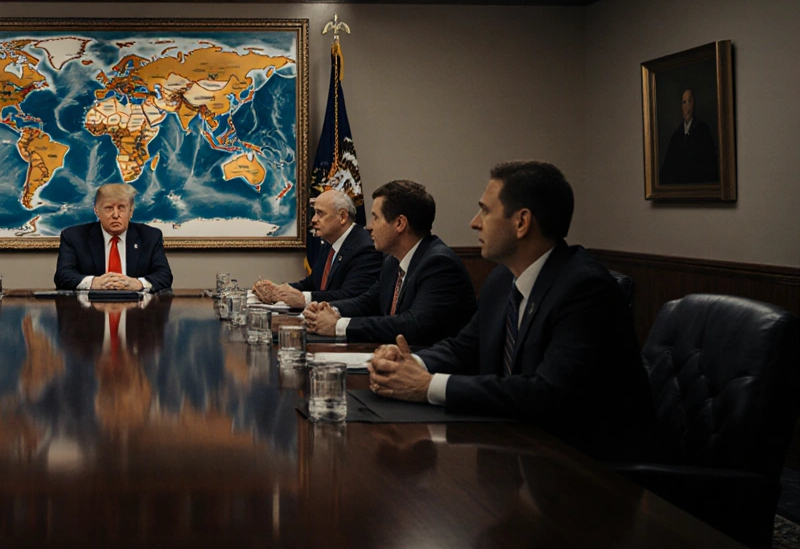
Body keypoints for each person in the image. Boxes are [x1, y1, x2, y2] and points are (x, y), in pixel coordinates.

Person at [365, 161, 655, 460]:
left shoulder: (585, 288)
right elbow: (464, 348)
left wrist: (427, 386)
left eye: (486, 211)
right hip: (515, 451)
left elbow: (548, 393)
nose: (475, 222)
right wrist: (408, 362)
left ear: (521, 222)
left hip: (590, 469)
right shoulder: (502, 279)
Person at [302, 180, 475, 346]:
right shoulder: (392, 261)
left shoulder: (438, 264)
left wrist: (338, 325)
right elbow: (367, 302)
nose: (369, 226)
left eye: (376, 218)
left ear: (399, 223)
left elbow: (411, 324)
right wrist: (327, 310)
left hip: (428, 365)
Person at [252, 189, 382, 309]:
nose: (313, 220)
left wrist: (304, 299)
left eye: (320, 213)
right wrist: (278, 290)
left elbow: (351, 296)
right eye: (314, 213)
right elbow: (312, 283)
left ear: (342, 217)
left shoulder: (365, 247)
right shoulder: (329, 243)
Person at [54, 183, 172, 291]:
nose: (116, 215)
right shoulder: (74, 237)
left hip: (137, 310)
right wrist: (93, 282)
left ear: (130, 211)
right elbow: (63, 276)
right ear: (97, 211)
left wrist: (138, 283)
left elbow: (164, 276)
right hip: (90, 311)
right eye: (109, 208)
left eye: (121, 208)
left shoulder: (150, 237)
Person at [660, 87, 719, 184]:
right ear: (681, 107)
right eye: (684, 102)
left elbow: (709, 167)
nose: (687, 107)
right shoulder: (676, 135)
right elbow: (667, 169)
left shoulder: (703, 130)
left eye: (689, 101)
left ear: (694, 104)